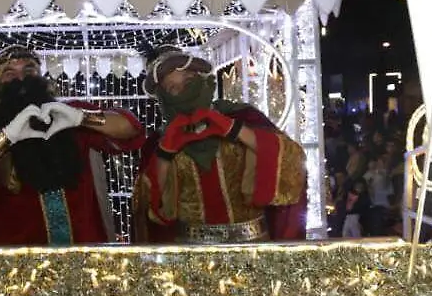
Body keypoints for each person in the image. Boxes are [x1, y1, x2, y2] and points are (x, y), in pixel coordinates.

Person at [0, 45, 145, 245]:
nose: (21, 79)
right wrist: (5, 137)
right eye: (9, 73)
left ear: (41, 77)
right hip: (20, 263)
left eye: (29, 70)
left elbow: (131, 128)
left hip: (85, 255)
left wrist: (81, 118)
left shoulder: (69, 113)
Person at [131, 45, 308, 244]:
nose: (183, 91)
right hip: (192, 252)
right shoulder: (157, 142)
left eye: (188, 81)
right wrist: (165, 153)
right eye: (173, 88)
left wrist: (234, 130)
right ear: (163, 98)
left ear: (202, 78)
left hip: (252, 246)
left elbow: (292, 159)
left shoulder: (243, 117)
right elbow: (148, 205)